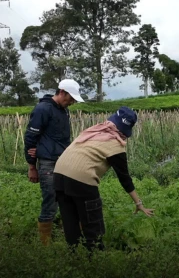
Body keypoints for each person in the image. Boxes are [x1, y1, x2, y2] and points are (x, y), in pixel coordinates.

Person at [52, 106, 154, 252]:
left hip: (58, 175)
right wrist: (138, 203)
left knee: (70, 224)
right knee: (94, 228)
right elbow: (124, 178)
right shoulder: (115, 145)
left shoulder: (94, 131)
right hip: (81, 179)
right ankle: (97, 261)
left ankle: (74, 259)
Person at [24, 79, 84, 246]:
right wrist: (31, 166)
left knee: (70, 198)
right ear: (62, 92)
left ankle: (75, 237)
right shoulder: (43, 109)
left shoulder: (64, 111)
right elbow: (30, 137)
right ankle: (45, 245)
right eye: (70, 98)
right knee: (50, 201)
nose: (72, 102)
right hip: (48, 163)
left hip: (64, 161)